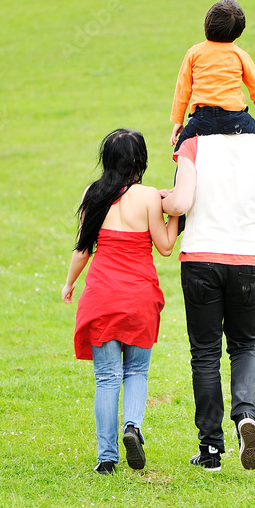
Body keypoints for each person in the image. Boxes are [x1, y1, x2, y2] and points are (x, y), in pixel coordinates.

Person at [161, 131, 255, 471]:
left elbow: (180, 204)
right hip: (249, 261)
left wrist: (160, 200)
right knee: (245, 346)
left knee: (205, 354)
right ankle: (246, 415)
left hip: (201, 259)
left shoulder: (193, 145)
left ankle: (210, 450)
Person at [62, 129, 179, 474]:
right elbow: (165, 246)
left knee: (106, 378)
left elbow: (82, 250)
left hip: (101, 295)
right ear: (140, 160)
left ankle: (106, 458)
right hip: (139, 295)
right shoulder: (148, 197)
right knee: (137, 371)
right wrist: (174, 211)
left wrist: (69, 283)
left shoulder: (93, 193)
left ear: (107, 159)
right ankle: (133, 427)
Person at [169, 0, 255, 151]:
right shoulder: (240, 55)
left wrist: (178, 120)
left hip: (202, 119)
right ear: (238, 33)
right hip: (234, 118)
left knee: (181, 152)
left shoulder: (193, 53)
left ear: (206, 24)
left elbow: (183, 90)